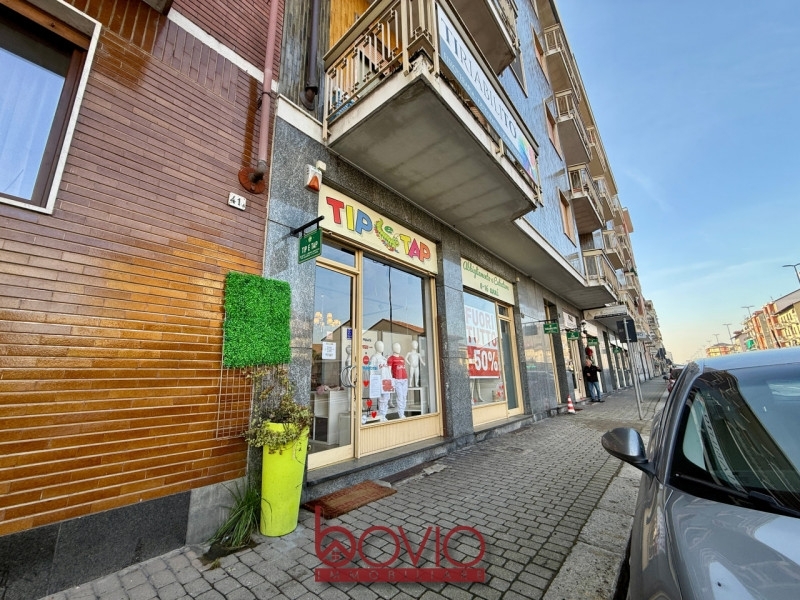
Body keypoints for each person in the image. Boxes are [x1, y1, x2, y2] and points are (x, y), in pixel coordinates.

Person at [369, 340, 392, 421]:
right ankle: (382, 416)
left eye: (382, 346)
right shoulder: (374, 358)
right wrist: (373, 381)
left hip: (386, 381)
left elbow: (387, 370)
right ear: (376, 347)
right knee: (382, 399)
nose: (382, 347)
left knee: (386, 398)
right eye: (380, 346)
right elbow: (371, 370)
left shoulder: (384, 358)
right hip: (379, 381)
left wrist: (390, 379)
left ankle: (384, 415)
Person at [387, 342, 408, 418]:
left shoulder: (402, 358)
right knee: (400, 397)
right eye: (397, 347)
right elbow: (389, 371)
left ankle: (403, 411)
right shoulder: (391, 358)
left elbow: (403, 368)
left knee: (404, 397)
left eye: (399, 347)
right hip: (397, 380)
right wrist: (391, 380)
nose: (399, 349)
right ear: (393, 349)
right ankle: (401, 413)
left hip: (404, 379)